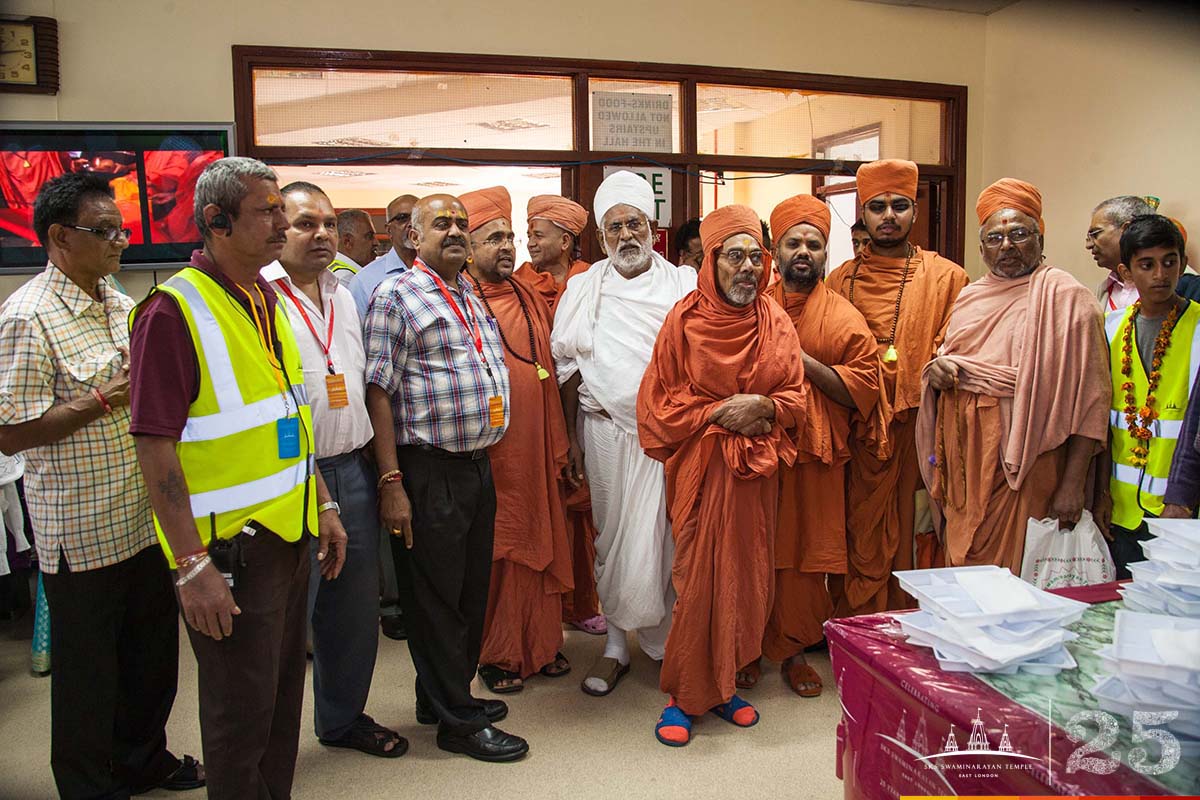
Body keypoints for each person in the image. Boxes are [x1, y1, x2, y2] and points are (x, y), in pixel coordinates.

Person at [129, 157, 347, 799]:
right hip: (229, 550)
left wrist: (324, 504)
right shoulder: (171, 312)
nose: (282, 224)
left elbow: (288, 417)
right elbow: (155, 447)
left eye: (282, 209)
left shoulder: (266, 296)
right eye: (267, 212)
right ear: (216, 221)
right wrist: (189, 565)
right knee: (238, 715)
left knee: (280, 703)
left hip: (289, 531)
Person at [0, 172, 204, 799]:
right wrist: (101, 400)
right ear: (60, 237)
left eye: (122, 230)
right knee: (90, 678)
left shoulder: (118, 297)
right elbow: (10, 434)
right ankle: (91, 784)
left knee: (151, 664)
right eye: (104, 231)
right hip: (81, 532)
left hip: (144, 520)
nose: (119, 241)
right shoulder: (28, 316)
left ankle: (143, 759)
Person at [363, 193, 528, 763]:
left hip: (476, 467)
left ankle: (440, 698)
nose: (455, 231)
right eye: (442, 224)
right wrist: (391, 481)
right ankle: (458, 722)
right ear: (413, 235)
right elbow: (377, 392)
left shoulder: (466, 291)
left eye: (462, 223)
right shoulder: (396, 296)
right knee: (433, 599)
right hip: (426, 469)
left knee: (466, 593)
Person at [638, 204, 805, 747]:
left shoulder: (775, 320)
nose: (748, 269)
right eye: (735, 256)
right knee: (698, 582)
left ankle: (726, 684)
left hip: (755, 478)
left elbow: (797, 399)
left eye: (756, 257)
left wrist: (764, 407)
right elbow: (657, 407)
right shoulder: (683, 320)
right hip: (701, 471)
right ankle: (685, 695)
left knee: (747, 580)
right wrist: (716, 412)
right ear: (710, 261)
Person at [263, 181, 405, 757]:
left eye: (326, 224)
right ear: (277, 230)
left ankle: (343, 719)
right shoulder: (259, 297)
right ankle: (267, 743)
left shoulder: (344, 293)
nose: (320, 234)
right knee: (285, 618)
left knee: (352, 612)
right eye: (304, 224)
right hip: (293, 477)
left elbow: (364, 380)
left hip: (354, 466)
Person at [914, 178, 1109, 576]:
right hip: (964, 467)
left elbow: (1091, 402)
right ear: (981, 246)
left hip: (1032, 465)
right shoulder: (970, 297)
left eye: (1019, 234)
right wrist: (936, 373)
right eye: (995, 237)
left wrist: (1072, 484)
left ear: (1040, 238)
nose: (1007, 246)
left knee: (1020, 576)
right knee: (966, 570)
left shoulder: (1069, 300)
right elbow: (951, 364)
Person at [551, 170, 697, 696]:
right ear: (601, 236)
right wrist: (569, 438)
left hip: (670, 440)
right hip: (605, 435)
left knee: (668, 540)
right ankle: (615, 646)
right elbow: (566, 368)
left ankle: (664, 644)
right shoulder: (583, 287)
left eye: (634, 224)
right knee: (611, 539)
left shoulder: (684, 283)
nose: (625, 236)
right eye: (613, 228)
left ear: (653, 226)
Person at [750, 195, 882, 698]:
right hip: (759, 449)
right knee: (756, 550)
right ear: (774, 251)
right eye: (793, 243)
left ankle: (794, 649)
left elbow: (863, 388)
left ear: (826, 254)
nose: (803, 252)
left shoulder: (844, 317)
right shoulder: (752, 306)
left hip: (816, 458)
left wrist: (800, 360)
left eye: (815, 244)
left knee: (807, 557)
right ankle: (748, 646)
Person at [826, 159, 968, 615]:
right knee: (851, 526)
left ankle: (902, 618)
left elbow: (958, 342)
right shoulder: (839, 280)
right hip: (853, 427)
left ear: (914, 212)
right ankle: (850, 620)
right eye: (877, 206)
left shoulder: (947, 277)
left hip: (913, 428)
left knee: (909, 525)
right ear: (863, 214)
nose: (889, 215)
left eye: (899, 205)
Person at [458, 187, 575, 694]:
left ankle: (542, 645)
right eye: (494, 238)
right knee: (502, 548)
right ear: (468, 247)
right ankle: (499, 653)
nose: (507, 246)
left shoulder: (528, 293)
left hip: (536, 444)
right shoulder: (460, 299)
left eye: (510, 237)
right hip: (493, 452)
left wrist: (562, 443)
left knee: (541, 537)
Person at [513, 194, 606, 636]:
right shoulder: (518, 283)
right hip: (534, 413)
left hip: (586, 408)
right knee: (542, 507)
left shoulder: (592, 281)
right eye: (528, 232)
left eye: (538, 233)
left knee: (582, 510)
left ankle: (584, 602)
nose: (529, 241)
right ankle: (547, 606)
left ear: (567, 240)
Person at [1101, 214, 1198, 577]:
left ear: (1183, 264)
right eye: (1147, 265)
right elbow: (1101, 423)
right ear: (1127, 273)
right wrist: (1099, 496)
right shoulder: (1111, 327)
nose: (1161, 274)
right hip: (1121, 512)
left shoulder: (1199, 327)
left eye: (1169, 261)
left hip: (1182, 513)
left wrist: (1184, 500)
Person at [349, 194, 418, 318]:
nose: (411, 224)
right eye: (402, 218)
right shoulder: (364, 281)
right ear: (388, 230)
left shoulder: (441, 272)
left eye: (417, 218)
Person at [1088, 195, 1157, 313]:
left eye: (1095, 234)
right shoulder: (1104, 290)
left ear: (1127, 230)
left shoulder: (1180, 284)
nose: (1088, 245)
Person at [329, 208, 378, 286]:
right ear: (347, 242)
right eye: (369, 236)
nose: (376, 243)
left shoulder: (332, 267)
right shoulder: (346, 278)